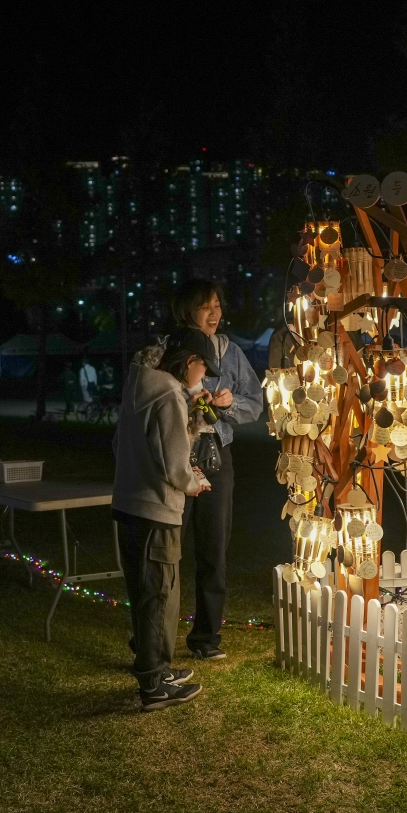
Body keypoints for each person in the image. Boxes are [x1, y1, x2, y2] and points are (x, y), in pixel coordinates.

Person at [113, 329, 214, 711]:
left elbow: (118, 445)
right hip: (157, 510)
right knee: (159, 594)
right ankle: (153, 684)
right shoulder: (170, 395)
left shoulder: (138, 387)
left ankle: (154, 665)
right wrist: (193, 483)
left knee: (143, 593)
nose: (203, 376)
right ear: (189, 362)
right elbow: (175, 465)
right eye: (203, 367)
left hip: (128, 503)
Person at [171, 278, 264, 662]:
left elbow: (255, 403)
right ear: (186, 311)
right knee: (167, 548)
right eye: (205, 306)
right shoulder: (168, 349)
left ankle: (206, 638)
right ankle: (155, 632)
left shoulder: (230, 352)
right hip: (174, 452)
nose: (214, 313)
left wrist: (227, 403)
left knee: (213, 547)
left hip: (216, 456)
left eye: (218, 305)